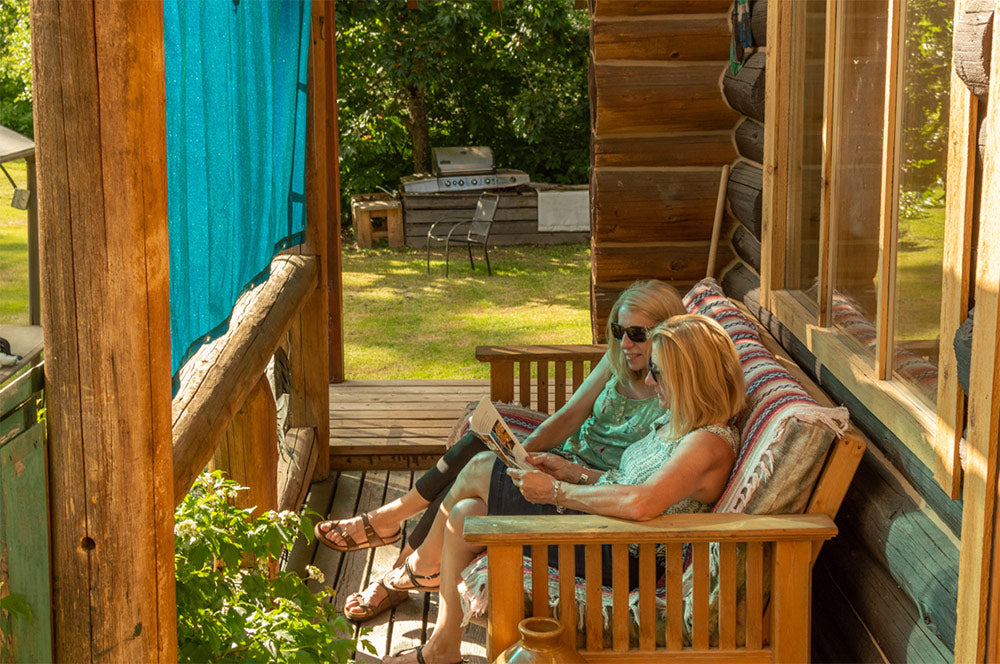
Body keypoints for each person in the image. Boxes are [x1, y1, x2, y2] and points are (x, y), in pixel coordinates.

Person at [313, 280, 686, 621]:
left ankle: (396, 553)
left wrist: (557, 473)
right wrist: (520, 451)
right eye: (619, 331)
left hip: (586, 491)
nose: (625, 344)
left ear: (668, 332)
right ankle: (396, 536)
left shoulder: (676, 391)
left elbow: (643, 484)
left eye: (638, 334)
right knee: (481, 440)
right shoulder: (620, 358)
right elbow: (572, 414)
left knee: (478, 472)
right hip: (566, 462)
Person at [382, 314, 746, 664]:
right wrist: (572, 471)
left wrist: (555, 491)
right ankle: (444, 646)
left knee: (479, 467)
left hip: (620, 555)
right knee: (466, 515)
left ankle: (420, 563)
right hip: (603, 529)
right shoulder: (679, 421)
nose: (650, 383)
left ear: (689, 377)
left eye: (657, 372)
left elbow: (642, 502)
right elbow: (627, 483)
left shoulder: (708, 443)